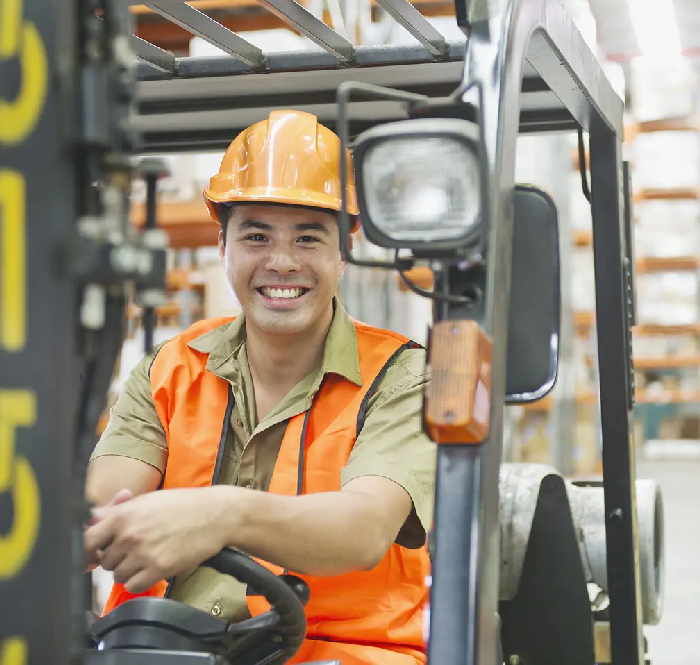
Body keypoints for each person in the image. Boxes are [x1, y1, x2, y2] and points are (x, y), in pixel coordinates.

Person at [83, 109, 436, 665]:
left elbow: (365, 528)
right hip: (162, 648)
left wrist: (222, 514)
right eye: (256, 236)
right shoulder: (170, 367)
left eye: (308, 237)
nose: (281, 262)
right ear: (223, 245)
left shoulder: (401, 376)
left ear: (343, 252)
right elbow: (102, 503)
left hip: (335, 654)